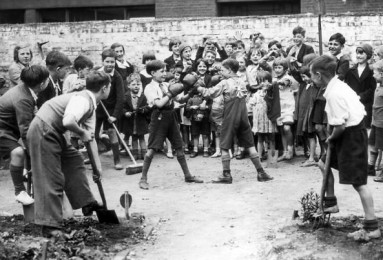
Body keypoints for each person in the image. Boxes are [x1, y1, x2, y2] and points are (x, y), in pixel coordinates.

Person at [310, 54, 381, 241]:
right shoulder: (336, 85)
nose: (311, 79)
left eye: (311, 76)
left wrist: (330, 139)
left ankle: (371, 227)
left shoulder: (335, 93)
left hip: (351, 137)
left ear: (318, 75)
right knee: (323, 163)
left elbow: (340, 126)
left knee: (359, 183)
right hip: (345, 134)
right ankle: (331, 203)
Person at [194, 58, 273, 183]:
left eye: (223, 70)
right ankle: (261, 173)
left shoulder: (225, 83)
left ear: (230, 70)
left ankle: (226, 175)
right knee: (250, 145)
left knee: (224, 145)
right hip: (243, 115)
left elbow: (210, 93)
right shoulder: (242, 81)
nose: (221, 72)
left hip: (230, 116)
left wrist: (197, 87)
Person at [139, 60, 203, 190]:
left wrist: (191, 90)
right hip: (158, 117)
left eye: (165, 71)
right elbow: (159, 104)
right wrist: (170, 93)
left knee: (179, 146)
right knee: (152, 148)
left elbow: (180, 99)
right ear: (152, 73)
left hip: (171, 116)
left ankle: (188, 175)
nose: (165, 73)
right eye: (161, 71)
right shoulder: (149, 88)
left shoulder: (166, 84)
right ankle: (143, 179)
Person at [0, 65, 49, 206]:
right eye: (47, 80)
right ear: (42, 84)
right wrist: (34, 153)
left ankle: (22, 171)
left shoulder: (26, 90)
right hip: (3, 131)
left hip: (7, 130)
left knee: (23, 152)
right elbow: (26, 131)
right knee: (18, 152)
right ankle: (19, 192)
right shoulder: (23, 98)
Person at [95, 49, 125, 170]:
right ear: (103, 61)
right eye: (107, 61)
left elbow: (121, 98)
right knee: (94, 134)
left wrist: (115, 115)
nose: (110, 64)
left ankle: (117, 160)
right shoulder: (97, 74)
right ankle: (93, 158)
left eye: (112, 62)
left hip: (111, 110)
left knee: (112, 133)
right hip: (97, 109)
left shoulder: (117, 77)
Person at [345, 44, 376, 128]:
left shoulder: (371, 71)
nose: (358, 55)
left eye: (361, 53)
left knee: (364, 128)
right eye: (357, 53)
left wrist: (360, 96)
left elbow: (372, 88)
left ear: (368, 54)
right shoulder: (350, 71)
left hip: (365, 105)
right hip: (352, 105)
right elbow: (346, 87)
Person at [250, 71, 278, 162]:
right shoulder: (256, 94)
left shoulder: (272, 92)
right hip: (260, 119)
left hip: (269, 118)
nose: (264, 83)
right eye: (261, 81)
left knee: (271, 138)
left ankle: (272, 158)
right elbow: (251, 104)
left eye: (266, 81)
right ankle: (259, 156)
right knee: (260, 138)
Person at [122, 73, 150, 160]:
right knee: (134, 138)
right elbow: (122, 107)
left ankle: (144, 153)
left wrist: (143, 110)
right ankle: (135, 154)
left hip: (140, 121)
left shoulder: (143, 96)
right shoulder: (125, 96)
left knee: (141, 138)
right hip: (131, 121)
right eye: (133, 84)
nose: (136, 86)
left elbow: (147, 107)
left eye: (138, 84)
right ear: (128, 86)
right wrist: (126, 113)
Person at [367, 60, 383, 181]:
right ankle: (370, 167)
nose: (373, 75)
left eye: (375, 73)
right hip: (375, 122)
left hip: (382, 124)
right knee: (372, 144)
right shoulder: (379, 87)